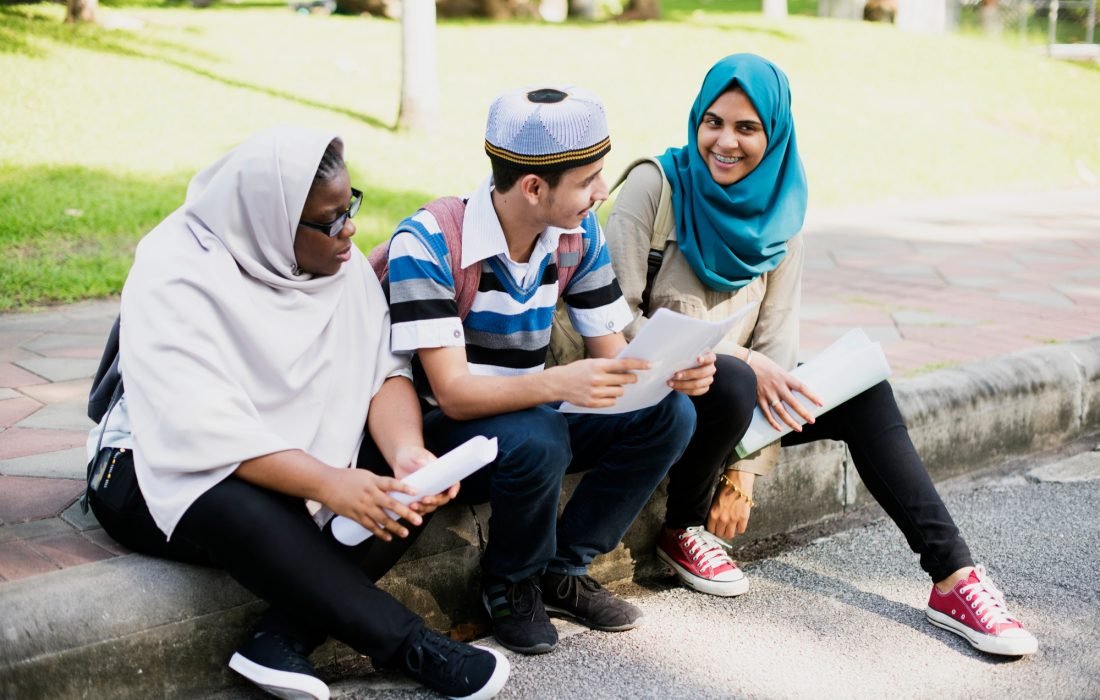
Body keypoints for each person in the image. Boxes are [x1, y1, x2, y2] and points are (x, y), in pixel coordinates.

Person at [603, 54, 1038, 657]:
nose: (724, 142)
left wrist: (746, 473)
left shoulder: (782, 215)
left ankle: (955, 579)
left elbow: (778, 343)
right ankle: (682, 528)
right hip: (649, 395)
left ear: (774, 133)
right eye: (713, 122)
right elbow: (614, 318)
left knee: (862, 390)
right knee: (731, 374)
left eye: (746, 128)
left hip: (729, 405)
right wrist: (744, 362)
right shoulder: (655, 186)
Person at [83, 127, 510, 700]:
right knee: (236, 499)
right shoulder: (175, 272)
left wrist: (408, 454)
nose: (351, 229)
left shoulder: (340, 265)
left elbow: (382, 371)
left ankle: (278, 640)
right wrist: (332, 483)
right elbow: (200, 431)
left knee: (402, 489)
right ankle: (411, 645)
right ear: (271, 223)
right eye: (331, 220)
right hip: (149, 471)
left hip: (291, 458)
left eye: (349, 206)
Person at [385, 86, 706, 655]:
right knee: (540, 434)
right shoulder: (429, 243)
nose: (602, 192)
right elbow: (453, 396)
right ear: (534, 187)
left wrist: (669, 371)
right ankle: (510, 584)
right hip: (446, 439)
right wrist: (560, 383)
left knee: (669, 414)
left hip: (531, 418)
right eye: (589, 181)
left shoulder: (578, 235)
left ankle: (564, 569)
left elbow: (611, 359)